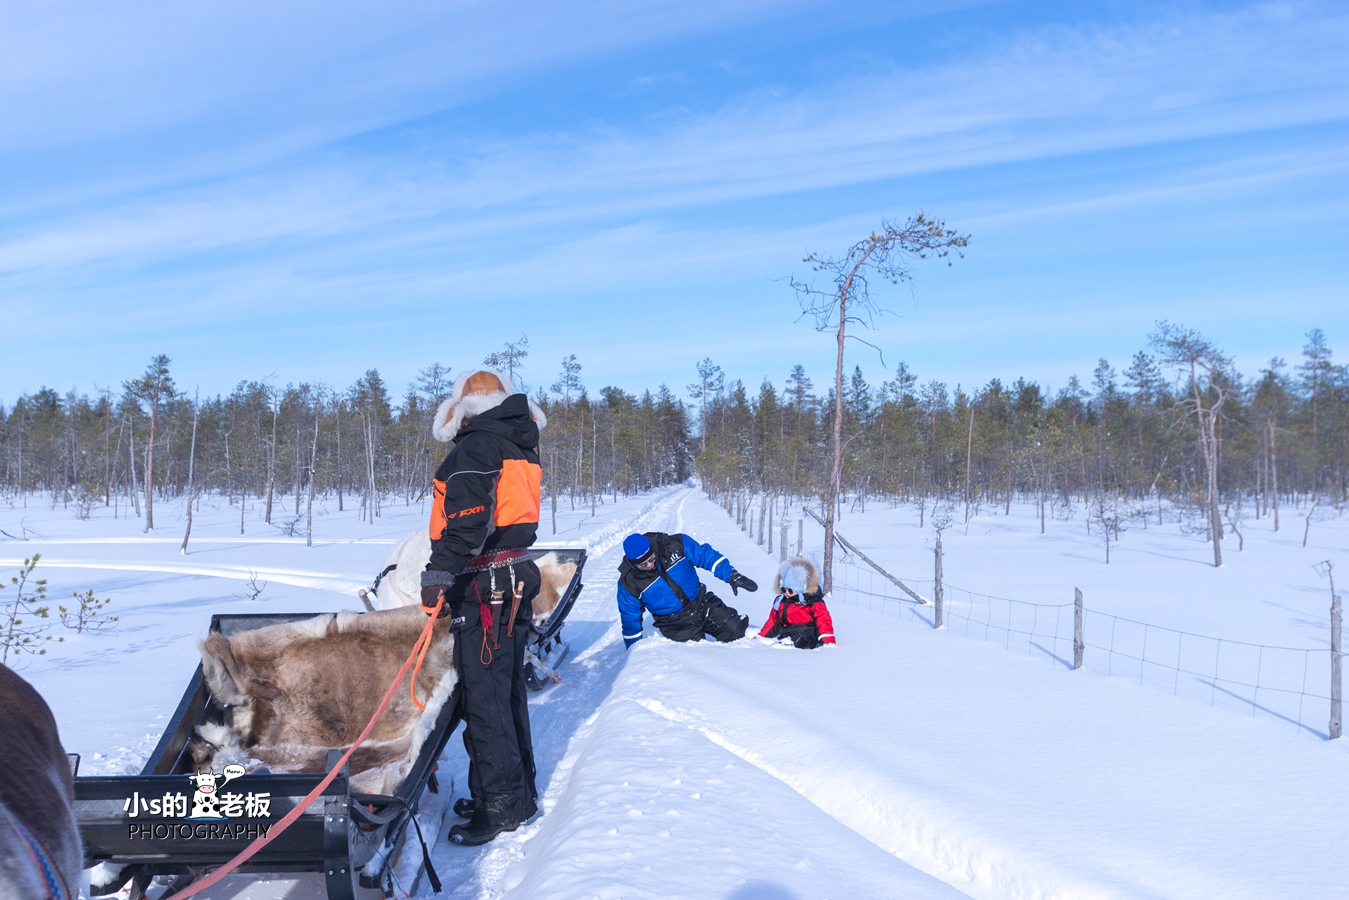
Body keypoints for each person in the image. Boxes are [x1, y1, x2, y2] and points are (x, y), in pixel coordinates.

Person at [419, 370, 547, 846]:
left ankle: (500, 809)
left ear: (462, 408)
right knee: (506, 691)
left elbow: (467, 525)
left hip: (486, 586)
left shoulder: (475, 448)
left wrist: (438, 574)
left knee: (485, 701)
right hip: (511, 577)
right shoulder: (517, 443)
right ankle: (515, 794)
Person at [617, 531, 757, 648]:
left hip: (702, 602)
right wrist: (633, 649)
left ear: (653, 549)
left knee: (736, 631)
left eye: (652, 559)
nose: (649, 565)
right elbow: (630, 617)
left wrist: (731, 576)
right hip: (674, 623)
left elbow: (705, 556)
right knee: (696, 661)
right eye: (642, 565)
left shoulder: (675, 544)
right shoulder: (629, 582)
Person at [758, 557, 835, 649]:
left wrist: (828, 641)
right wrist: (761, 637)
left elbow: (823, 620)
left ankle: (788, 647)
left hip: (807, 633)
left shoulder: (812, 602)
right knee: (785, 637)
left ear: (801, 590)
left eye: (790, 590)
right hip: (787, 631)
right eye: (784, 589)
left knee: (794, 637)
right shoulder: (781, 601)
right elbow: (773, 621)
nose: (786, 593)